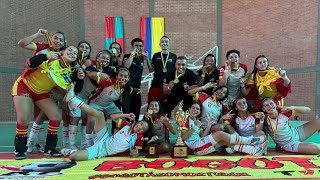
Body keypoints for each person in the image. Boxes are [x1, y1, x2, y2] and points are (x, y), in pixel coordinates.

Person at [12, 46, 78, 160]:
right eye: (70, 50)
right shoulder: (51, 58)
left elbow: (71, 86)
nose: (72, 53)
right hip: (25, 86)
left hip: (42, 92)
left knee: (56, 116)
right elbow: (30, 64)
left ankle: (49, 148)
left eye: (75, 53)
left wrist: (72, 87)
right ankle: (20, 150)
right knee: (24, 118)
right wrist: (45, 56)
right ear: (62, 52)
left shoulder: (69, 71)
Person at [63, 84, 149, 161]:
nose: (140, 127)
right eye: (141, 124)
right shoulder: (127, 125)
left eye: (143, 129)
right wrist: (125, 115)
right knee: (100, 114)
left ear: (142, 132)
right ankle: (72, 98)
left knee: (73, 157)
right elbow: (112, 117)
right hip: (105, 137)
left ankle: (70, 151)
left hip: (103, 150)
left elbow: (136, 152)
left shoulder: (138, 137)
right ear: (138, 122)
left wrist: (135, 154)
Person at [182, 102, 267, 156]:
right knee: (219, 134)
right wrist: (195, 127)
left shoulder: (197, 121)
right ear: (189, 109)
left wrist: (208, 125)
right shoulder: (185, 119)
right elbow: (183, 137)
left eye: (198, 109)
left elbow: (203, 136)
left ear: (200, 111)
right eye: (193, 108)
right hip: (193, 147)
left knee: (224, 141)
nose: (195, 110)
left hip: (199, 144)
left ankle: (253, 150)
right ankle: (249, 140)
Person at [148, 36, 177, 104]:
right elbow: (151, 70)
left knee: (167, 105)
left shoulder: (173, 56)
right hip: (157, 84)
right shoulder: (156, 55)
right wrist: (147, 59)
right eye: (162, 41)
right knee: (154, 104)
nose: (164, 43)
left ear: (169, 44)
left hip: (168, 85)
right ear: (160, 44)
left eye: (166, 41)